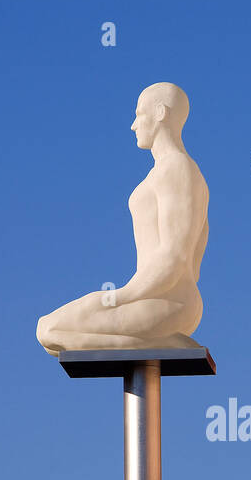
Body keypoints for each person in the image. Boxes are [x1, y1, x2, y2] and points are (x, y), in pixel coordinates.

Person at [36, 83, 209, 354]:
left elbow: (174, 257)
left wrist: (121, 296)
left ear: (161, 113)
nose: (133, 125)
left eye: (139, 114)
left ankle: (151, 344)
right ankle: (151, 344)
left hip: (167, 299)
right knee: (48, 331)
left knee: (51, 331)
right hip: (159, 294)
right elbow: (197, 255)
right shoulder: (174, 171)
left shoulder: (176, 168)